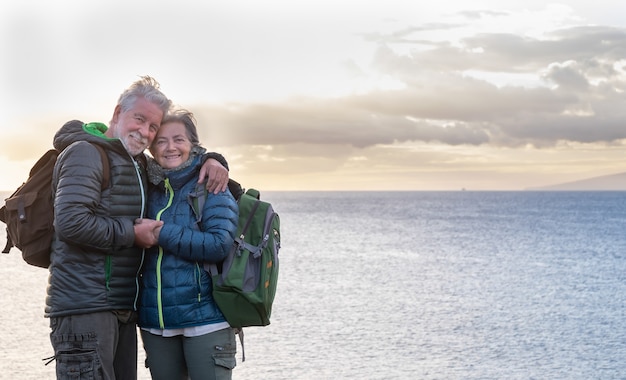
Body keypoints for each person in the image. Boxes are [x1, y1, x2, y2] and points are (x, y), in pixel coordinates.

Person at [46, 76, 230, 380]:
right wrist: (133, 233)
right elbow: (70, 222)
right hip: (84, 309)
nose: (145, 132)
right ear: (119, 113)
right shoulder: (85, 153)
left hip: (121, 308)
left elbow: (178, 162)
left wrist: (212, 159)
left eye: (153, 127)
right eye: (139, 119)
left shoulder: (136, 163)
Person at [138, 110, 239, 380]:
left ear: (193, 145)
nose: (170, 147)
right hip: (156, 324)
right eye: (161, 141)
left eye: (178, 139)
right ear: (151, 147)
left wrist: (161, 233)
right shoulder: (146, 187)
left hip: (207, 321)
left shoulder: (211, 185)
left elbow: (219, 244)